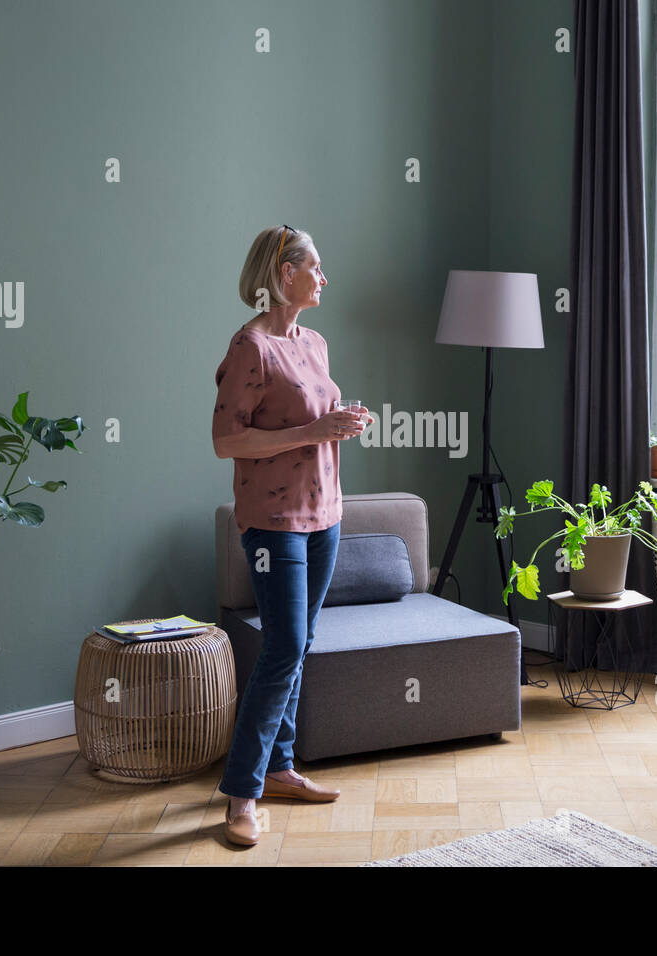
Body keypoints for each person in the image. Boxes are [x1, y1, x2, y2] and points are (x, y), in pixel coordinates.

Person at [210, 225, 371, 847]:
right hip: (272, 524)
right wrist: (316, 430)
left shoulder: (315, 343)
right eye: (315, 267)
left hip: (325, 512)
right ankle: (241, 794)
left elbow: (315, 420)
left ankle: (279, 768)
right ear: (284, 274)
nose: (324, 277)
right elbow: (227, 440)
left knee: (299, 643)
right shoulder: (250, 347)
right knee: (282, 647)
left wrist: (339, 425)